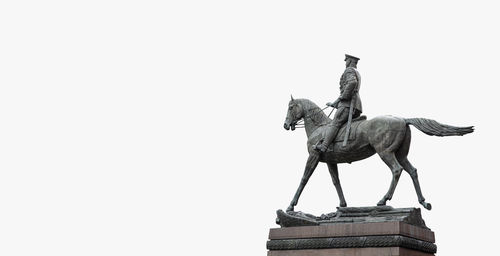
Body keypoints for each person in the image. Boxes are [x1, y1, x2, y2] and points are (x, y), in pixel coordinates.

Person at [313, 54, 363, 152]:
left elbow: (352, 83)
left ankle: (324, 146)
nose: (345, 62)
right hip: (356, 105)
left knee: (335, 123)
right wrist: (335, 103)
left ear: (350, 61)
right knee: (341, 126)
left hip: (348, 104)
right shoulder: (357, 72)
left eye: (346, 60)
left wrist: (342, 98)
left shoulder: (349, 70)